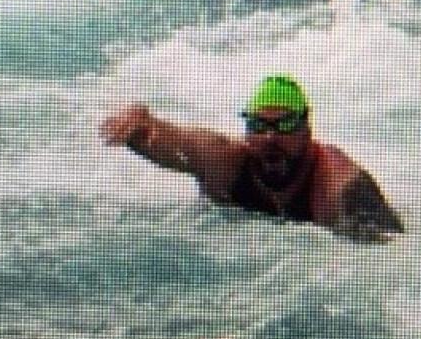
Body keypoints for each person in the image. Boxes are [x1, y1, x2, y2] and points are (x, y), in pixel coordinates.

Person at [100, 75, 404, 240]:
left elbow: (392, 254)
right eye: (259, 126)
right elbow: (161, 137)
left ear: (307, 130)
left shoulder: (339, 185)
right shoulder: (223, 161)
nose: (270, 138)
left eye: (284, 125)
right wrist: (138, 124)